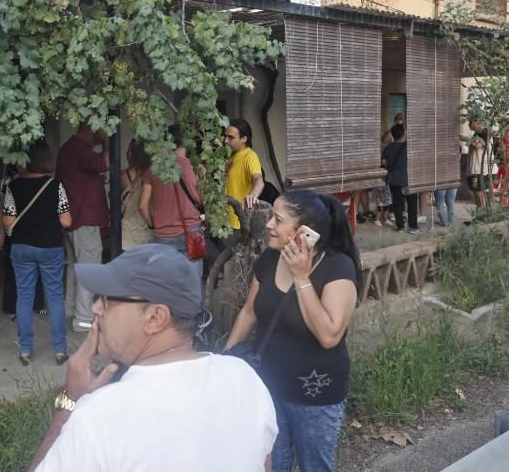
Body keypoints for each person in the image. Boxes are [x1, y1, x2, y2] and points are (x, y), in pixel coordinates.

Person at [28, 244, 278, 471]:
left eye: (106, 299)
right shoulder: (246, 380)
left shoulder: (100, 416)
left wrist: (70, 402)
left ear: (155, 318)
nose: (95, 309)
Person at [224, 190, 360, 472]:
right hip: (268, 386)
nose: (269, 225)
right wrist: (226, 360)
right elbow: (250, 311)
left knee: (315, 466)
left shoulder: (338, 268)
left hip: (314, 397)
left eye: (278, 219)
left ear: (305, 231)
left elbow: (329, 335)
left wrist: (301, 277)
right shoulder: (270, 259)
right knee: (274, 465)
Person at [2, 141, 72, 366]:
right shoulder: (55, 185)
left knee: (24, 297)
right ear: (47, 161)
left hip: (21, 247)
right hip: (50, 247)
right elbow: (66, 220)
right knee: (54, 297)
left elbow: (8, 221)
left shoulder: (13, 186)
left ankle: (25, 350)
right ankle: (60, 351)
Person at [57, 125, 110, 333]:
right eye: (98, 130)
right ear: (88, 130)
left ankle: (70, 310)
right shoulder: (79, 150)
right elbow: (104, 163)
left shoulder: (68, 149)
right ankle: (83, 318)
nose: (100, 135)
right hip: (84, 220)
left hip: (73, 220)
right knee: (88, 268)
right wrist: (106, 143)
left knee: (74, 266)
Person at [138, 124, 206, 277]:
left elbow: (142, 206)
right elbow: (205, 203)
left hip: (163, 236)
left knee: (166, 290)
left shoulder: (153, 170)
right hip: (192, 234)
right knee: (191, 288)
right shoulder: (198, 169)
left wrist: (152, 224)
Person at [224, 119, 264, 234]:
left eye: (231, 137)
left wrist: (252, 196)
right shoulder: (231, 156)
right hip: (224, 221)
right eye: (225, 136)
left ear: (244, 139)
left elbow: (258, 180)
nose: (226, 141)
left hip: (237, 224)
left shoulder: (250, 156)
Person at [382, 124, 418, 234]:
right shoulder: (410, 147)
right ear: (404, 134)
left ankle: (400, 227)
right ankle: (413, 227)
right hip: (408, 180)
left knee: (397, 204)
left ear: (392, 135)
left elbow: (384, 163)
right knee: (412, 204)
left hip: (394, 181)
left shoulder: (388, 148)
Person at [121, 140, 154, 250]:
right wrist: (152, 225)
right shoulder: (150, 178)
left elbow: (125, 204)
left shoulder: (137, 178)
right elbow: (142, 206)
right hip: (141, 235)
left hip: (129, 234)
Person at [466, 117, 495, 211]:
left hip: (480, 172)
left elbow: (478, 146)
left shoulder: (484, 133)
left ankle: (481, 216)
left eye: (470, 122)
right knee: (477, 193)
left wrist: (469, 140)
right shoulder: (477, 134)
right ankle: (480, 216)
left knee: (478, 193)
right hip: (477, 171)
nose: (468, 124)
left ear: (477, 122)